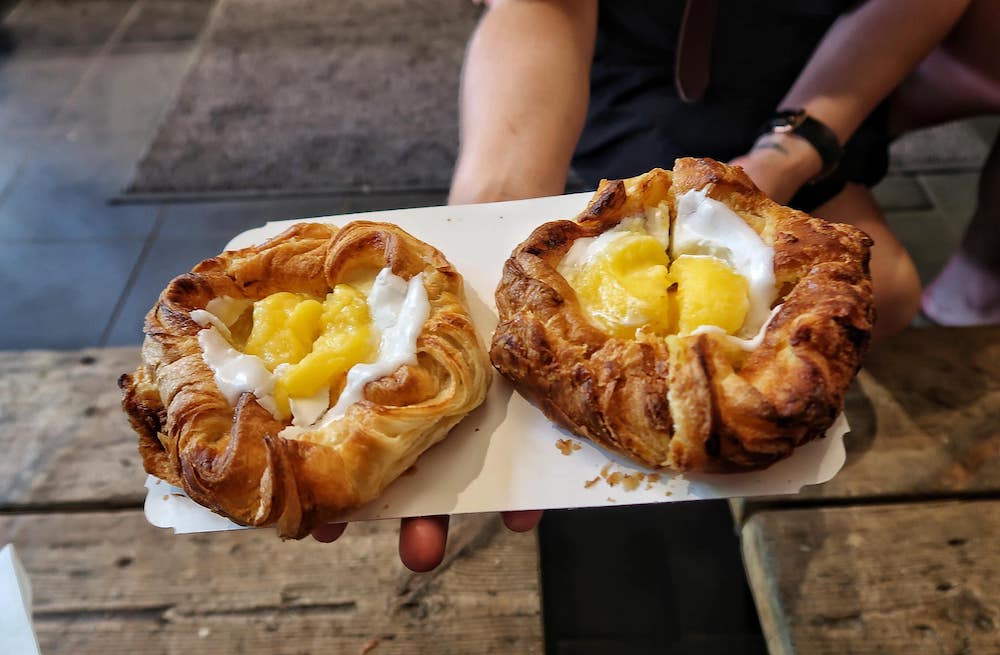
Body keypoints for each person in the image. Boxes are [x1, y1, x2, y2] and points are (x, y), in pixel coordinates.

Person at [317, 0, 1000, 571]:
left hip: (817, 68)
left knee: (895, 292)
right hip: (621, 78)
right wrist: (486, 213)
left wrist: (794, 146)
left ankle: (974, 286)